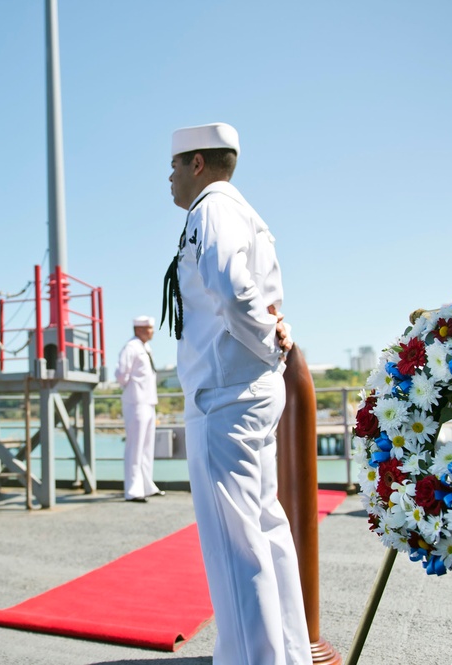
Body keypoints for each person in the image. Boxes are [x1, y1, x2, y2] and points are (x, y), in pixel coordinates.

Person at [161, 123, 309, 665]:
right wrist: (273, 337)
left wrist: (269, 341)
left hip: (225, 393)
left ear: (197, 163)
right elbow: (253, 292)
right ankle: (287, 655)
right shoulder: (243, 211)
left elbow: (228, 286)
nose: (170, 178)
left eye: (175, 166)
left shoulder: (211, 208)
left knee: (234, 547)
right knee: (266, 532)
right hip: (247, 389)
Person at [114, 315, 163, 502]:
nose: (152, 331)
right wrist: (131, 388)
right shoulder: (131, 348)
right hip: (136, 402)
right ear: (139, 330)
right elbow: (121, 374)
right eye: (149, 328)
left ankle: (146, 485)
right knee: (135, 447)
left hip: (149, 401)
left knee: (146, 447)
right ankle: (133, 490)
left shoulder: (145, 347)